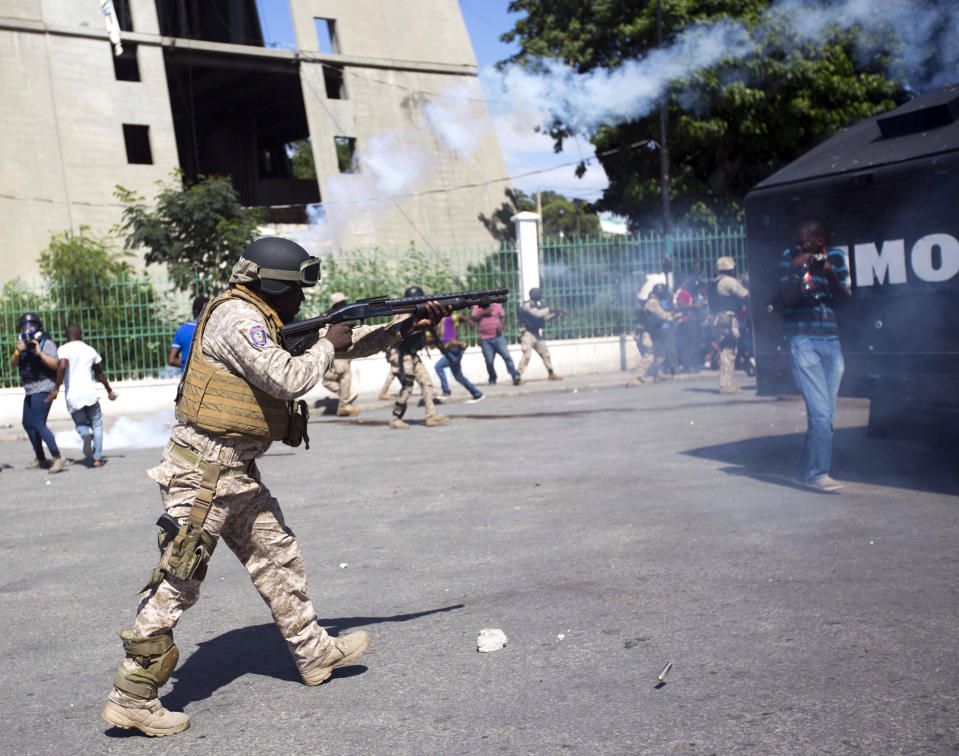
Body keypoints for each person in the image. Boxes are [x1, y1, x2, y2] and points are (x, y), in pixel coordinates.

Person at [101, 237, 450, 736]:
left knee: (278, 557)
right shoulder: (239, 319)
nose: (301, 302)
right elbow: (289, 377)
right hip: (202, 474)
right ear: (270, 286)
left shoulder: (265, 318)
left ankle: (314, 653)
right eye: (295, 292)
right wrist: (330, 339)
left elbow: (339, 348)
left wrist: (402, 328)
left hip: (234, 472)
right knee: (178, 580)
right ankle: (131, 696)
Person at [780, 220, 851, 492]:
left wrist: (830, 273)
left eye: (805, 241)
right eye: (797, 241)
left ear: (819, 240)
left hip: (831, 341)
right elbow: (787, 298)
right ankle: (816, 473)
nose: (799, 246)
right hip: (803, 340)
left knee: (826, 413)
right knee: (821, 412)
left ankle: (803, 470)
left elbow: (845, 297)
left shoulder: (836, 258)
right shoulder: (789, 259)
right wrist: (797, 270)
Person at [9, 313, 68, 473]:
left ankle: (58, 457)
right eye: (24, 326)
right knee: (27, 423)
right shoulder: (21, 344)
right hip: (30, 389)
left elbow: (55, 365)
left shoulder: (45, 343)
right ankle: (41, 458)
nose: (28, 329)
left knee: (38, 423)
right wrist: (17, 351)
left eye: (31, 326)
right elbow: (13, 364)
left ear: (37, 327)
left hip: (44, 387)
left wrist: (38, 353)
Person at [53, 324, 117, 467]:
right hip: (90, 394)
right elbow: (99, 373)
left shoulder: (63, 349)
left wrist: (56, 388)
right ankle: (97, 458)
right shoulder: (90, 350)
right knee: (97, 425)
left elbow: (62, 366)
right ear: (80, 334)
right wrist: (109, 390)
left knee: (81, 424)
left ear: (67, 336)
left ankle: (84, 435)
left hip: (73, 396)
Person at [389, 286, 451, 429]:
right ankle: (395, 418)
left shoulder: (418, 314)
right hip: (400, 354)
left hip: (411, 354)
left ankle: (431, 416)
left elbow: (426, 332)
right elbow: (401, 335)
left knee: (426, 382)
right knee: (408, 386)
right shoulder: (402, 316)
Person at [708, 257, 750, 394]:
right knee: (729, 351)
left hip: (716, 320)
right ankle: (726, 385)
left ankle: (727, 383)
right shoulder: (729, 281)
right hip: (727, 319)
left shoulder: (714, 282)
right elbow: (745, 294)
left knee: (727, 350)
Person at [320, 292, 359, 416]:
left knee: (328, 380)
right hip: (341, 352)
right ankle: (344, 404)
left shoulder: (327, 315)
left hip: (330, 351)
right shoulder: (345, 316)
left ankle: (345, 399)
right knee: (344, 378)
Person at [432, 314, 484, 403]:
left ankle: (446, 391)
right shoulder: (434, 326)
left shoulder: (446, 319)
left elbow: (460, 316)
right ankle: (477, 393)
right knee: (458, 376)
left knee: (438, 366)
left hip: (454, 350)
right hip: (450, 351)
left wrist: (470, 322)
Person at [516, 287, 565, 381]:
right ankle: (517, 375)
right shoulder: (527, 305)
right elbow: (537, 314)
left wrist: (556, 314)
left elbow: (544, 318)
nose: (538, 296)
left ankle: (551, 373)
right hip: (527, 333)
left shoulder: (538, 306)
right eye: (537, 294)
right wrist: (549, 309)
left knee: (545, 353)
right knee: (526, 355)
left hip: (536, 333)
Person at [470, 300, 520, 386]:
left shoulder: (496, 305)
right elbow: (473, 318)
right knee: (489, 361)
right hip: (485, 339)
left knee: (507, 356)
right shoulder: (477, 307)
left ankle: (515, 375)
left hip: (498, 337)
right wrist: (484, 312)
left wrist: (501, 324)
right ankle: (492, 378)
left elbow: (503, 316)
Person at [640, 283, 681, 382]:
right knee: (649, 355)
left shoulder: (655, 301)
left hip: (652, 332)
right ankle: (636, 377)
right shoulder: (652, 302)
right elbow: (662, 315)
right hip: (645, 333)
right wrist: (674, 316)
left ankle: (658, 374)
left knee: (660, 353)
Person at [167, 296, 209, 372]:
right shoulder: (213, 330)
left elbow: (171, 360)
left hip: (189, 379)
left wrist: (187, 364)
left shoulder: (182, 330)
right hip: (210, 379)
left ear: (195, 311)